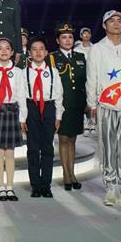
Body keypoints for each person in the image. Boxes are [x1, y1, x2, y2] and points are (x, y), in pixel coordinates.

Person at [86, 10, 121, 207]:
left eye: (120, 21)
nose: (116, 24)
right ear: (104, 25)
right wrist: (92, 103)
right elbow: (92, 77)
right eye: (112, 21)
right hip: (106, 105)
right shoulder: (98, 49)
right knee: (108, 148)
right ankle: (110, 188)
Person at [0, 36, 27, 202]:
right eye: (0, 48)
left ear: (13, 52)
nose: (4, 51)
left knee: (10, 153)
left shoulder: (18, 72)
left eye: (7, 48)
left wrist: (23, 117)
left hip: (12, 112)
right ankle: (1, 187)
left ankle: (10, 187)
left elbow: (22, 96)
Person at [49, 22, 87, 191]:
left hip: (77, 105)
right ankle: (67, 176)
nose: (67, 40)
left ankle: (72, 174)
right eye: (63, 37)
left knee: (73, 140)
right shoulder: (52, 58)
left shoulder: (80, 57)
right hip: (62, 106)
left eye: (70, 37)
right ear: (58, 40)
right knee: (64, 140)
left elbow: (85, 81)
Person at [24, 36, 63, 198]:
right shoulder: (24, 72)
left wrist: (58, 116)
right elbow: (20, 96)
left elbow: (59, 96)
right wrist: (22, 118)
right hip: (31, 108)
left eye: (41, 49)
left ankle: (46, 185)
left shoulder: (53, 72)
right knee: (33, 148)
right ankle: (35, 185)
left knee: (47, 147)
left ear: (46, 52)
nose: (38, 52)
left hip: (48, 108)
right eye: (34, 49)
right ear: (29, 53)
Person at [75, 27, 95, 133]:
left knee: (93, 98)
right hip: (82, 77)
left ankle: (92, 121)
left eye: (88, 34)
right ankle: (86, 123)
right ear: (81, 35)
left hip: (93, 76)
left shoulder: (95, 48)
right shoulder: (77, 49)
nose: (86, 35)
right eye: (84, 34)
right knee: (84, 100)